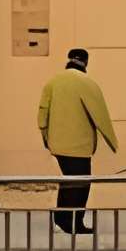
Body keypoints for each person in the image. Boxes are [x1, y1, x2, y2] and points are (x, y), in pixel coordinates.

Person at [37, 46, 117, 234]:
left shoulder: (53, 82)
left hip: (58, 144)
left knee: (70, 180)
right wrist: (112, 141)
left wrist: (46, 138)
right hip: (80, 145)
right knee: (81, 183)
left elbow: (42, 113)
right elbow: (100, 115)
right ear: (86, 62)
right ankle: (73, 222)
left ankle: (62, 218)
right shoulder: (88, 83)